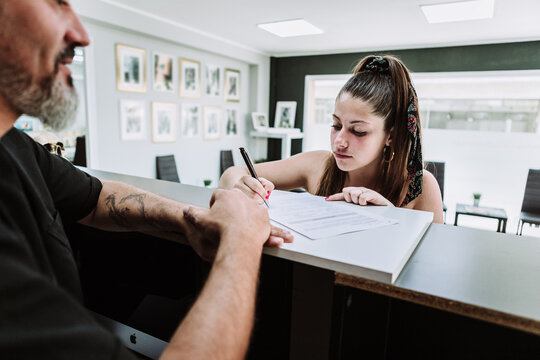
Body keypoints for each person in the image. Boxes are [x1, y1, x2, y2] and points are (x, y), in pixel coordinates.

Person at [0, 1, 292, 359]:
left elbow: (95, 197)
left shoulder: (13, 144)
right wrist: (241, 239)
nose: (82, 35)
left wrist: (188, 217)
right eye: (56, 4)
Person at [220, 55, 444, 223]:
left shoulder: (420, 186)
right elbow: (232, 173)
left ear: (390, 136)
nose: (339, 141)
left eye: (358, 131)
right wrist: (241, 186)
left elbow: (432, 266)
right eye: (336, 125)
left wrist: (389, 216)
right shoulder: (317, 165)